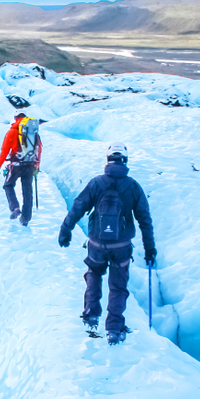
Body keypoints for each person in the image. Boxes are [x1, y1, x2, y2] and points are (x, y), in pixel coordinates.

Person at [58, 143, 156, 345]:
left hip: (96, 243)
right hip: (121, 246)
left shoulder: (96, 183)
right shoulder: (133, 186)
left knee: (94, 274)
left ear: (108, 160)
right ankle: (114, 328)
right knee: (118, 287)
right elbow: (144, 219)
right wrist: (149, 248)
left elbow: (78, 207)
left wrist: (65, 230)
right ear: (125, 161)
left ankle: (91, 315)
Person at [0, 113, 42, 226]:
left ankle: (15, 208)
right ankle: (26, 217)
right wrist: (37, 165)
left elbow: (5, 150)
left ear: (16, 119)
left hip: (16, 165)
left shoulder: (12, 132)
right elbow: (39, 149)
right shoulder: (34, 133)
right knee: (27, 190)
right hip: (30, 165)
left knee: (8, 185)